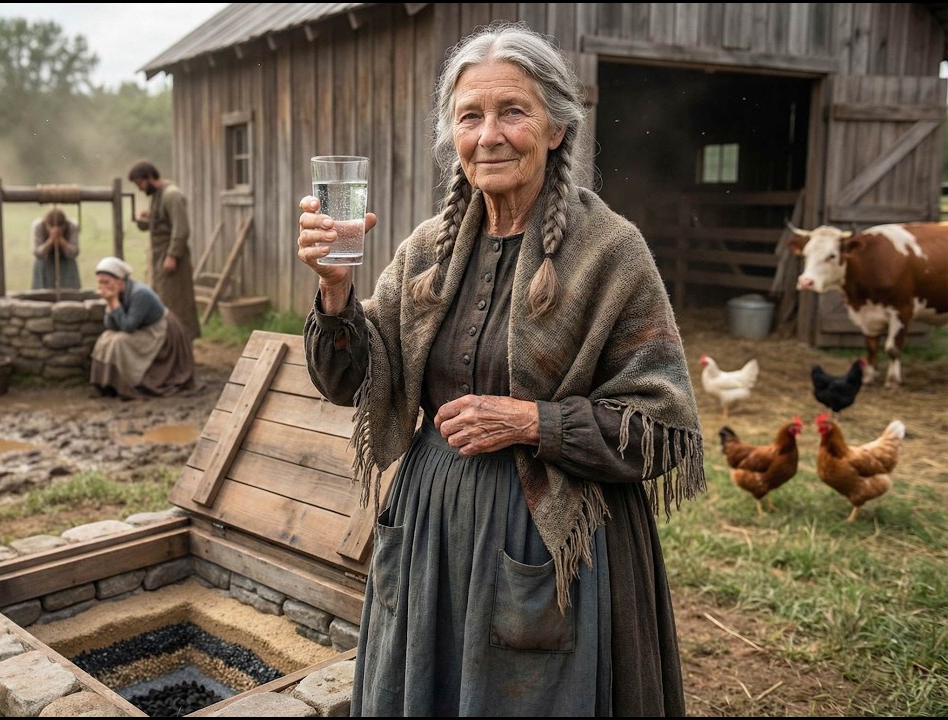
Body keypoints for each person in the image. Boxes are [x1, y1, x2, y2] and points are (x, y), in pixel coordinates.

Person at [296, 21, 706, 717]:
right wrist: (335, 291)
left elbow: (661, 430)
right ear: (452, 135)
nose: (489, 134)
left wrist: (531, 421)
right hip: (431, 531)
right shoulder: (427, 249)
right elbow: (348, 383)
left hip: (557, 542)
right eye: (470, 116)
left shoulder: (609, 251)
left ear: (556, 127)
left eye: (513, 111)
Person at [89, 256, 195, 399]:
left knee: (119, 342)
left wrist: (113, 301)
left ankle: (129, 383)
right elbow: (111, 326)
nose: (102, 287)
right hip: (140, 327)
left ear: (119, 282)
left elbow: (128, 327)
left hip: (160, 331)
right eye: (100, 282)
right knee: (106, 338)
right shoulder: (118, 293)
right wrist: (110, 303)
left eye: (106, 282)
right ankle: (106, 383)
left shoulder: (140, 295)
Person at [128, 160, 202, 341]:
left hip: (173, 261)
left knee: (177, 304)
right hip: (161, 259)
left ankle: (182, 346)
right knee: (162, 302)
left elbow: (181, 229)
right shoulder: (158, 196)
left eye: (140, 183)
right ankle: (169, 344)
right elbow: (160, 225)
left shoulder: (172, 195)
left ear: (149, 177)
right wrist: (141, 219)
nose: (139, 189)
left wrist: (172, 256)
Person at [30, 206, 81, 290]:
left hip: (66, 263)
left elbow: (74, 252)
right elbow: (38, 253)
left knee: (70, 291)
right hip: (44, 263)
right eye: (51, 227)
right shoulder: (38, 226)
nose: (55, 230)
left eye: (60, 227)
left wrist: (61, 241)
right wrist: (51, 240)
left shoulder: (72, 226)